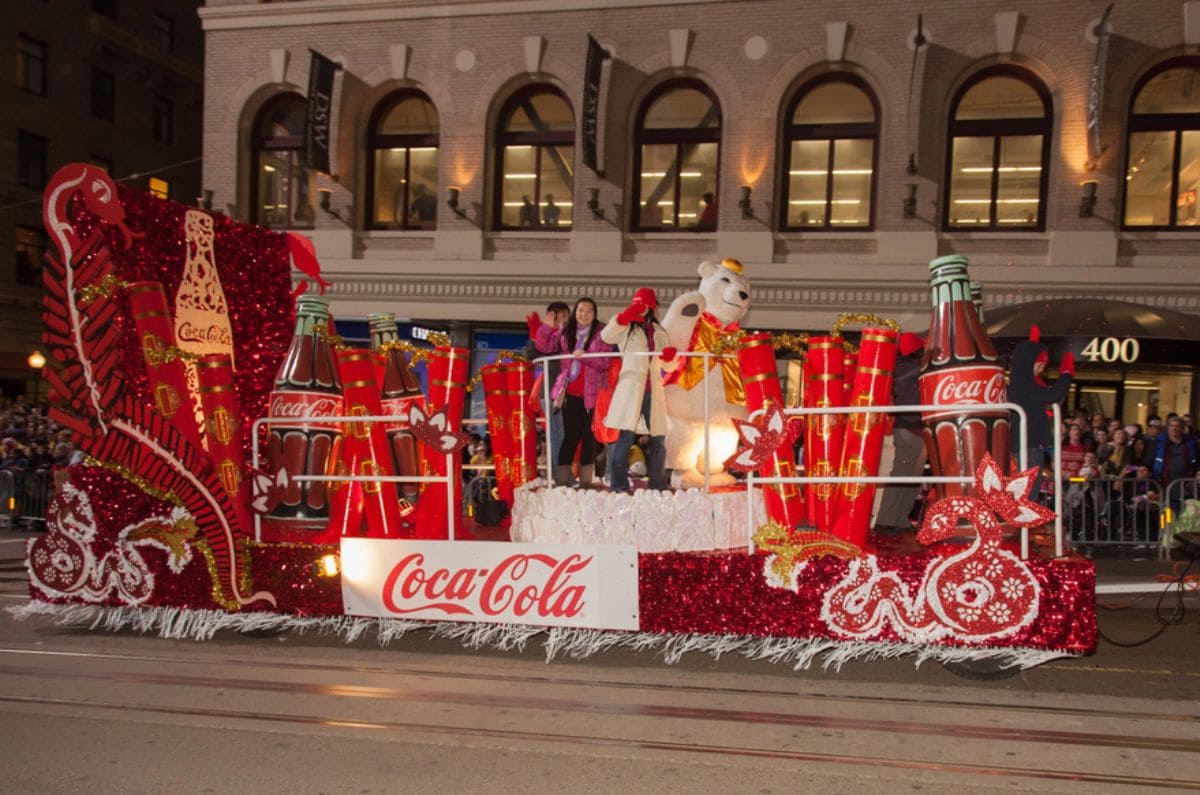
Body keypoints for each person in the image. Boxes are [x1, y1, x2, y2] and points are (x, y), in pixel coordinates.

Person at [601, 287, 679, 493]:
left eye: (645, 304)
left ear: (653, 307)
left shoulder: (660, 331)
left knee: (659, 440)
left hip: (654, 391)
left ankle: (658, 485)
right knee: (625, 438)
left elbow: (669, 367)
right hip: (630, 390)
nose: (641, 308)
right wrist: (623, 317)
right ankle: (618, 485)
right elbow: (606, 336)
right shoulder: (625, 327)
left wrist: (670, 358)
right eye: (637, 304)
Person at [531, 297, 612, 487]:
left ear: (595, 314)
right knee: (570, 437)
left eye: (589, 311)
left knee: (589, 438)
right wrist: (546, 328)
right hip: (569, 394)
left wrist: (585, 357)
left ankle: (586, 481)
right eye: (581, 310)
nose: (584, 314)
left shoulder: (602, 334)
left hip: (592, 396)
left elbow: (605, 363)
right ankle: (562, 479)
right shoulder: (565, 332)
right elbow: (544, 347)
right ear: (575, 312)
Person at [1007, 326, 1074, 501]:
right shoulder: (1022, 384)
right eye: (1040, 364)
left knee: (1030, 487)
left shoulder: (1024, 382)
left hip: (1030, 443)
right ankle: (1024, 523)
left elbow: (1052, 399)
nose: (1042, 368)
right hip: (1027, 444)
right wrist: (1066, 375)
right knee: (1028, 490)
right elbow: (1052, 395)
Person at [874, 332, 926, 533]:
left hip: (907, 425)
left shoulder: (897, 367)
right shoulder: (913, 367)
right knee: (904, 475)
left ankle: (898, 519)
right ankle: (887, 520)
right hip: (911, 424)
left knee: (908, 475)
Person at [526, 301, 570, 468]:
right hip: (550, 391)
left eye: (566, 316)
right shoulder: (549, 337)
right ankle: (555, 473)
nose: (564, 320)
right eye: (561, 317)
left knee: (563, 435)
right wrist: (540, 332)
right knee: (554, 435)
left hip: (566, 393)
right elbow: (534, 353)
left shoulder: (568, 336)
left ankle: (561, 471)